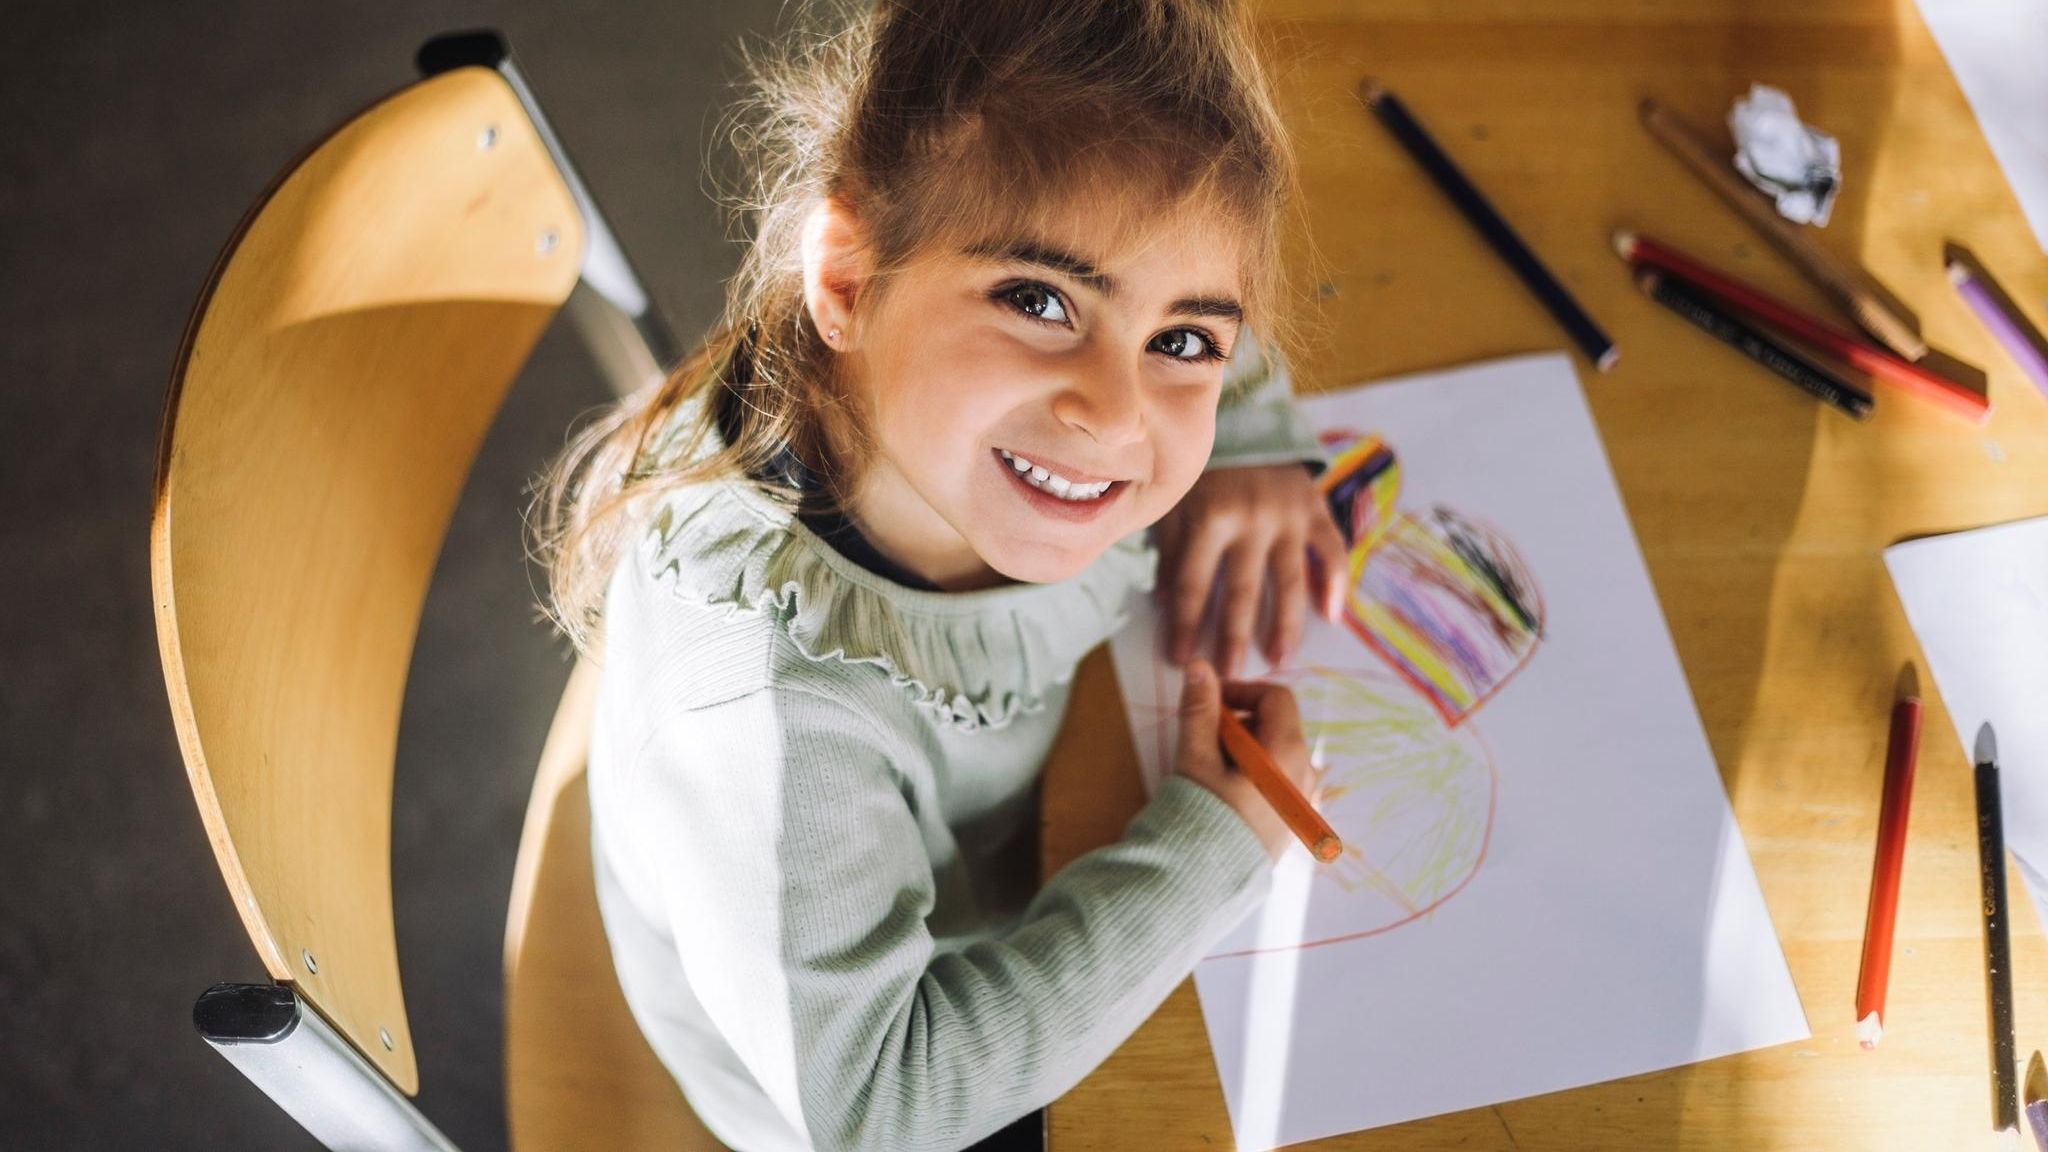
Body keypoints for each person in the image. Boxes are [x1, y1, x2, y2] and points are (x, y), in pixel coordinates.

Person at [534, 1, 1345, 1148]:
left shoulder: (962, 439)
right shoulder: (772, 714)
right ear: (846, 277)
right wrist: (1209, 847)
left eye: (1182, 344)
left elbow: (1172, 267)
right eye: (1037, 302)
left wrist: (1250, 441)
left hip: (1009, 856)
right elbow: (878, 1106)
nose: (1115, 420)